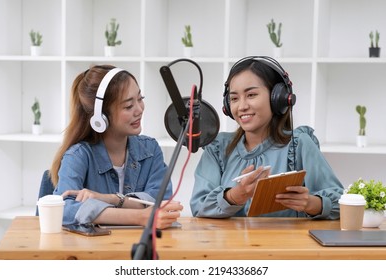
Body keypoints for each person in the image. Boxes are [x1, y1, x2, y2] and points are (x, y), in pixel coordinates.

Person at [190, 56, 343, 219]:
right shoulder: (217, 147)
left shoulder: (299, 144)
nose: (241, 106)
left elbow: (342, 204)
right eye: (234, 98)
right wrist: (235, 196)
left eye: (251, 95)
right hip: (231, 244)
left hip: (284, 244)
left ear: (278, 98)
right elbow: (199, 207)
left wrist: (312, 204)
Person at [50, 65, 183, 229]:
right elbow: (64, 210)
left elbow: (161, 201)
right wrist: (140, 217)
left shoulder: (150, 150)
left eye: (140, 99)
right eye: (128, 106)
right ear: (101, 117)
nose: (139, 109)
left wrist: (109, 199)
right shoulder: (78, 156)